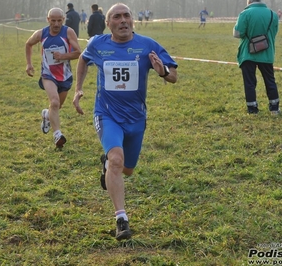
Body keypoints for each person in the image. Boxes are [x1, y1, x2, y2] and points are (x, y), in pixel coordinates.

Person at [73, 3, 178, 241]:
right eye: (117, 17)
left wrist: (162, 72)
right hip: (107, 114)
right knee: (117, 160)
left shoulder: (147, 45)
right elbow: (82, 59)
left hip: (136, 118)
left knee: (127, 170)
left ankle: (108, 164)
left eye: (126, 16)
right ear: (107, 23)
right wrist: (78, 90)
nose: (123, 20)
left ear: (133, 21)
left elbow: (173, 76)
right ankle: (121, 218)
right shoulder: (98, 44)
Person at [25, 8, 81, 149]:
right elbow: (28, 44)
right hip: (48, 74)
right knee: (55, 102)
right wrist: (29, 64)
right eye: (53, 20)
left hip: (65, 76)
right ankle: (57, 135)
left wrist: (62, 56)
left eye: (59, 20)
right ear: (48, 19)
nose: (56, 24)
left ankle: (46, 115)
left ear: (63, 19)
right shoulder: (41, 34)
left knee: (57, 106)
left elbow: (78, 53)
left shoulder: (68, 32)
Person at [233, 0, 280, 115]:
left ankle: (252, 109)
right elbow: (274, 32)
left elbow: (237, 34)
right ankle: (274, 108)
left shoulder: (245, 14)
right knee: (270, 80)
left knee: (249, 82)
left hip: (248, 53)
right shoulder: (272, 14)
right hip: (267, 53)